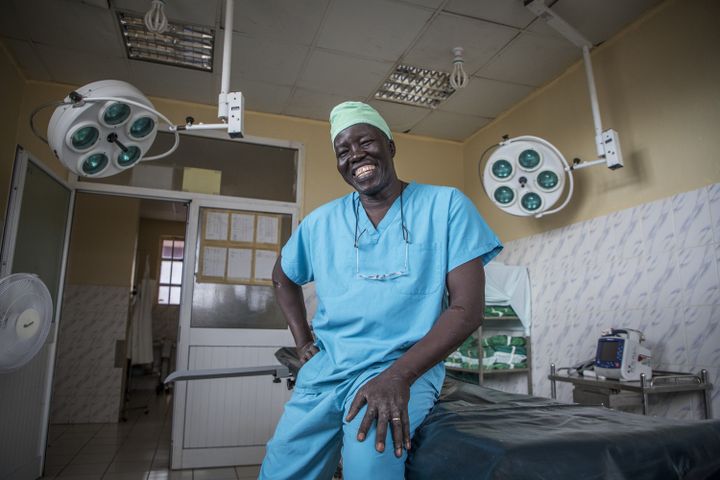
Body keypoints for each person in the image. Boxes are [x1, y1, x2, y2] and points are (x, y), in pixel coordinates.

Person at [259, 101, 502, 479]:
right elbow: (282, 277)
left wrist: (397, 377)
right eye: (343, 151)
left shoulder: (446, 205)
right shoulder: (320, 222)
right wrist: (303, 340)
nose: (356, 155)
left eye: (366, 142)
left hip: (402, 365)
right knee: (281, 469)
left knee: (369, 462)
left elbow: (466, 309)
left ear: (390, 146)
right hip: (328, 369)